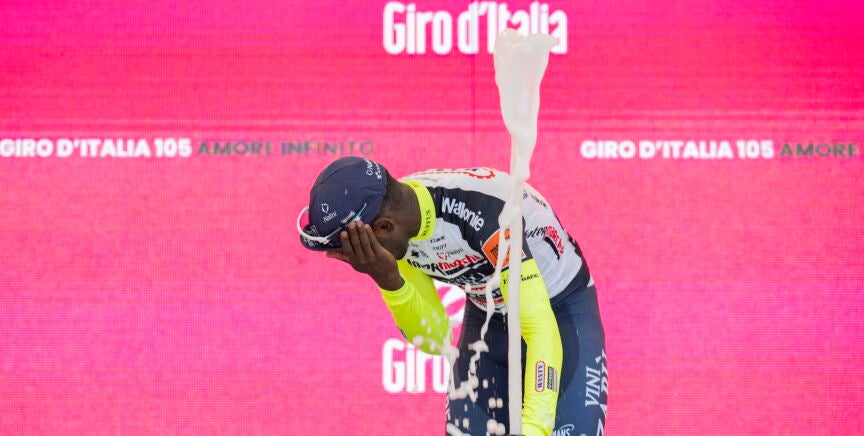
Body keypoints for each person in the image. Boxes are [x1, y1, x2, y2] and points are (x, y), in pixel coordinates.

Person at [297, 156, 607, 436]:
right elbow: (436, 339)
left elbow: (539, 327)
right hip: (487, 313)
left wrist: (535, 429)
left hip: (559, 310)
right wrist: (388, 280)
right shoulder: (398, 223)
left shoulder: (488, 213)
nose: (357, 259)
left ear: (383, 227)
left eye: (358, 249)